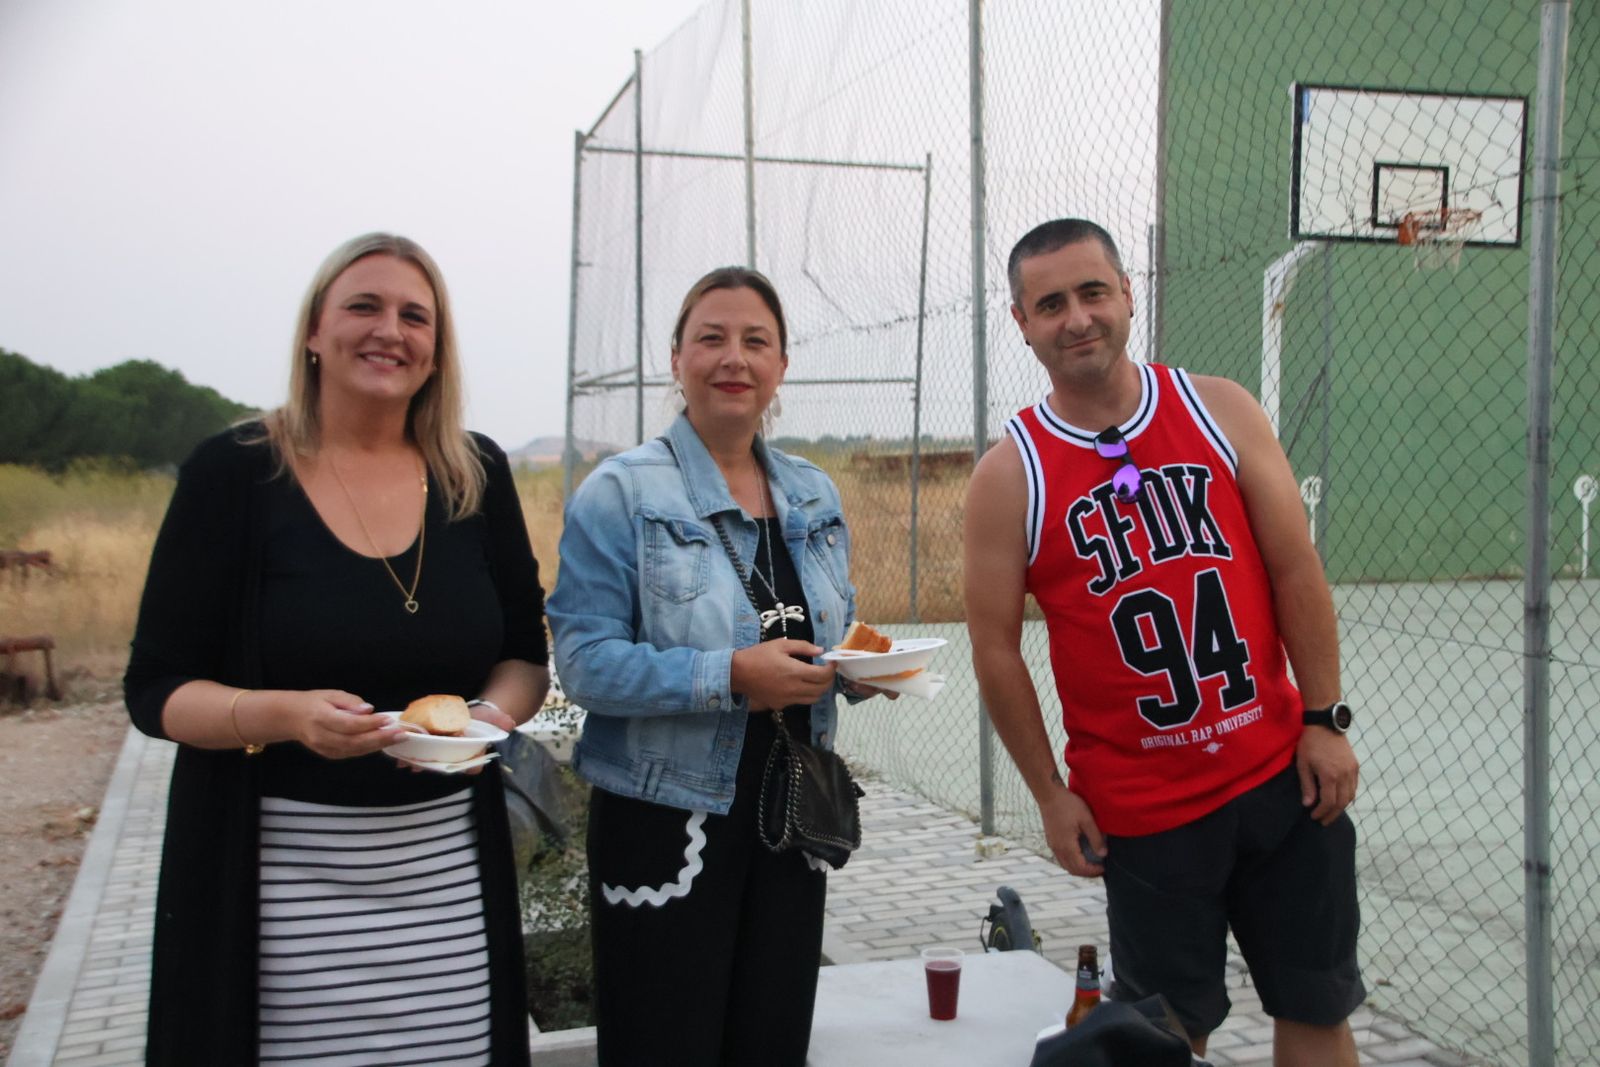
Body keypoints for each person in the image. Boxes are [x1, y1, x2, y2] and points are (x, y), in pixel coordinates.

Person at [124, 233, 550, 1066]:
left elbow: (524, 653)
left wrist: (488, 720)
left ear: (435, 351)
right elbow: (155, 688)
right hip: (277, 884)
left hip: (445, 884)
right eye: (364, 305)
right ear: (314, 333)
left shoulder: (476, 473)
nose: (389, 329)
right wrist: (279, 715)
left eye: (414, 316)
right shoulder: (232, 473)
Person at [965, 219, 1364, 1066]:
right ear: (1022, 321)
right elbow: (996, 649)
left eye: (1092, 292)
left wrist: (1326, 718)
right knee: (1164, 1035)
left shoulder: (1218, 408)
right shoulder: (1013, 472)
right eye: (1050, 304)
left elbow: (1295, 568)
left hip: (1277, 778)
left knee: (1316, 1005)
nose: (1076, 318)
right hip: (1144, 813)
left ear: (1128, 294)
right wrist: (1048, 791)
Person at [548, 266, 888, 1066]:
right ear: (676, 358)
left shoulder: (812, 492)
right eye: (711, 338)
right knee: (665, 1043)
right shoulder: (621, 494)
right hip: (669, 823)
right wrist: (732, 674)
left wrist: (862, 665)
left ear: (781, 365)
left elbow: (828, 625)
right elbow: (584, 664)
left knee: (770, 1040)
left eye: (755, 341)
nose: (733, 357)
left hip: (791, 820)